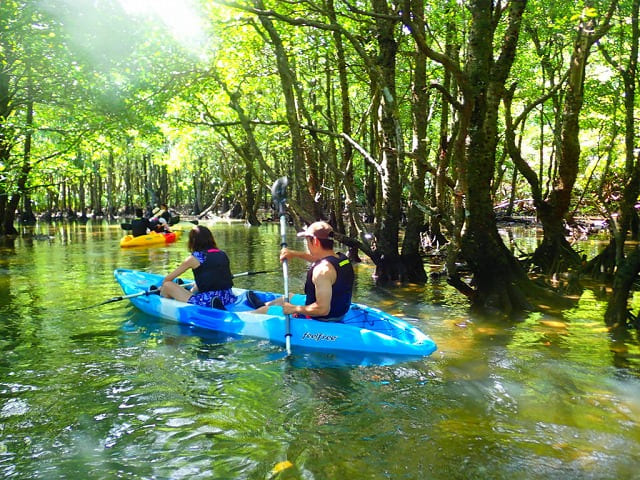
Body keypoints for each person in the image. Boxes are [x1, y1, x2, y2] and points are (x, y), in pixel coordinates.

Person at [248, 221, 354, 322]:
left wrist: (294, 309)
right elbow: (318, 258)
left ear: (316, 241)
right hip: (338, 309)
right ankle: (264, 304)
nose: (307, 244)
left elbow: (323, 310)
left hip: (323, 318)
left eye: (307, 241)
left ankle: (244, 315)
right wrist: (294, 254)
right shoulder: (341, 258)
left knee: (263, 312)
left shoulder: (322, 271)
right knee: (289, 296)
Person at [160, 225, 237, 308]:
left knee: (167, 285)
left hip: (207, 300)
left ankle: (166, 305)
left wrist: (161, 287)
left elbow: (167, 279)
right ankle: (193, 293)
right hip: (228, 297)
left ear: (193, 241)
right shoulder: (222, 254)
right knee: (197, 284)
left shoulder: (195, 258)